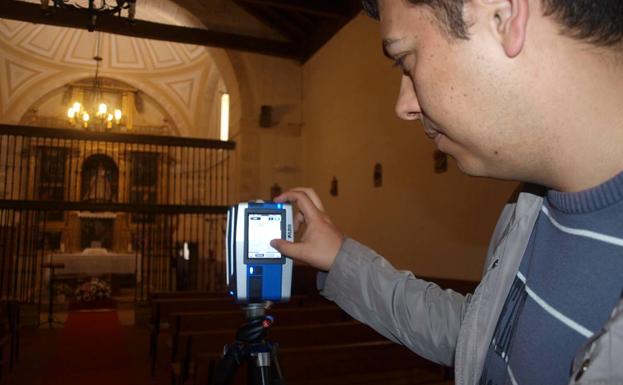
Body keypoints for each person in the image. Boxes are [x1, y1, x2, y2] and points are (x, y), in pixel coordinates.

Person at [269, 1, 623, 384]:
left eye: (405, 60)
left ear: (502, 15)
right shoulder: (528, 209)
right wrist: (338, 259)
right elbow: (479, 339)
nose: (403, 107)